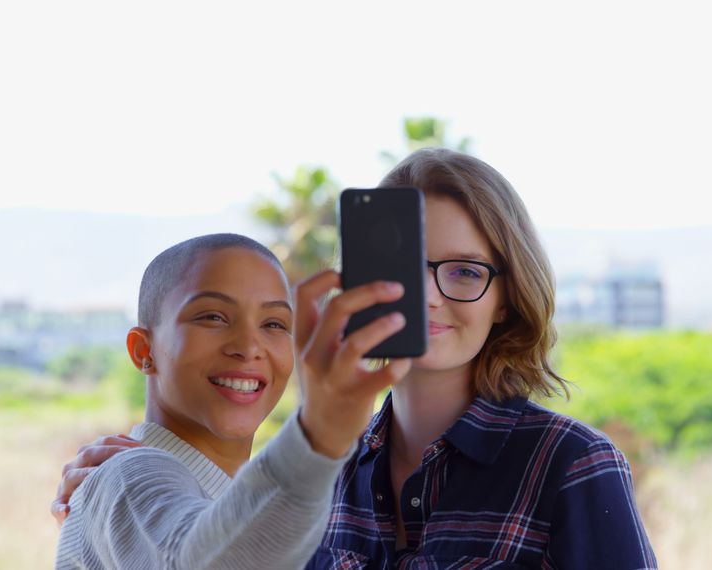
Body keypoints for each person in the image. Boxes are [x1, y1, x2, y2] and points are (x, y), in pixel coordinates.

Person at [55, 150, 658, 569]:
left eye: (466, 272)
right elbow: (200, 550)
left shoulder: (569, 463)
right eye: (404, 269)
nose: (430, 296)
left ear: (505, 300)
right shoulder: (317, 475)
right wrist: (122, 487)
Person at [54, 233, 411, 569]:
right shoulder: (127, 473)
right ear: (144, 351)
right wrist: (319, 435)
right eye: (212, 317)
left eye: (274, 323)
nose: (248, 347)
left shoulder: (246, 497)